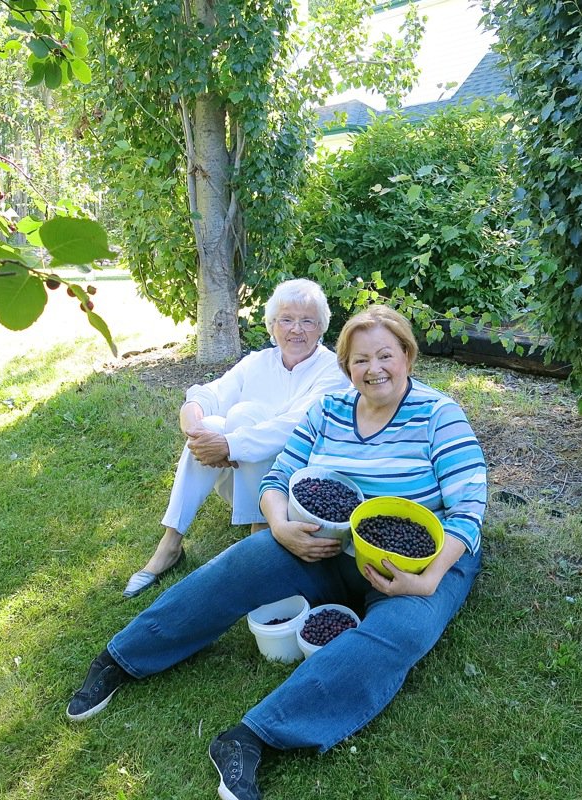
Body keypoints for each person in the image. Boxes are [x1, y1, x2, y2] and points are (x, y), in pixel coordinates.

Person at [66, 305, 487, 800]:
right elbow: (278, 476)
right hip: (326, 546)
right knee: (243, 563)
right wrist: (280, 525)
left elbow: (469, 506)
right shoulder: (329, 410)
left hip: (415, 560)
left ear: (408, 356)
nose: (374, 370)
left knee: (401, 631)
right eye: (360, 360)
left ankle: (253, 738)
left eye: (385, 356)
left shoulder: (439, 415)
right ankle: (124, 657)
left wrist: (429, 579)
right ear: (346, 366)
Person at [122, 278, 350, 598]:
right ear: (272, 325)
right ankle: (170, 544)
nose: (296, 329)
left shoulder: (332, 370)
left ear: (322, 327)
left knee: (245, 415)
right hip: (239, 482)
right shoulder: (258, 362)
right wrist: (195, 424)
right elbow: (210, 394)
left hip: (294, 492)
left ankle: (257, 538)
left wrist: (231, 444)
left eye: (307, 321)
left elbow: (296, 426)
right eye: (286, 319)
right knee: (213, 424)